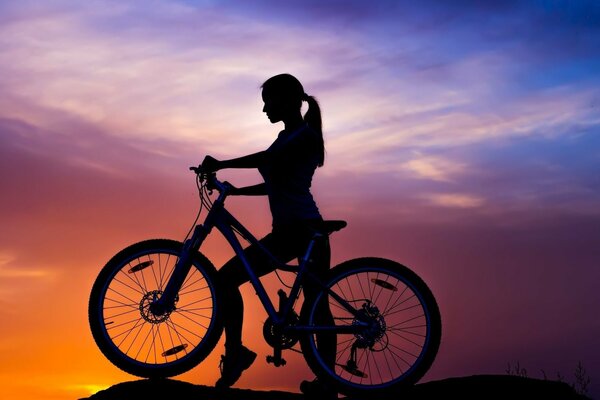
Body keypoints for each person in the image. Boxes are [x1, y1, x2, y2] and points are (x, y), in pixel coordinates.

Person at [201, 73, 335, 393]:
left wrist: (221, 164)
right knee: (315, 305)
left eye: (268, 103)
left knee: (228, 279)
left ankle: (235, 354)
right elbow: (277, 182)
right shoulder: (287, 137)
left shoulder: (301, 136)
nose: (264, 111)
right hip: (300, 230)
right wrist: (235, 192)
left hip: (299, 232)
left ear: (288, 100)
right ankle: (328, 383)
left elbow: (267, 161)